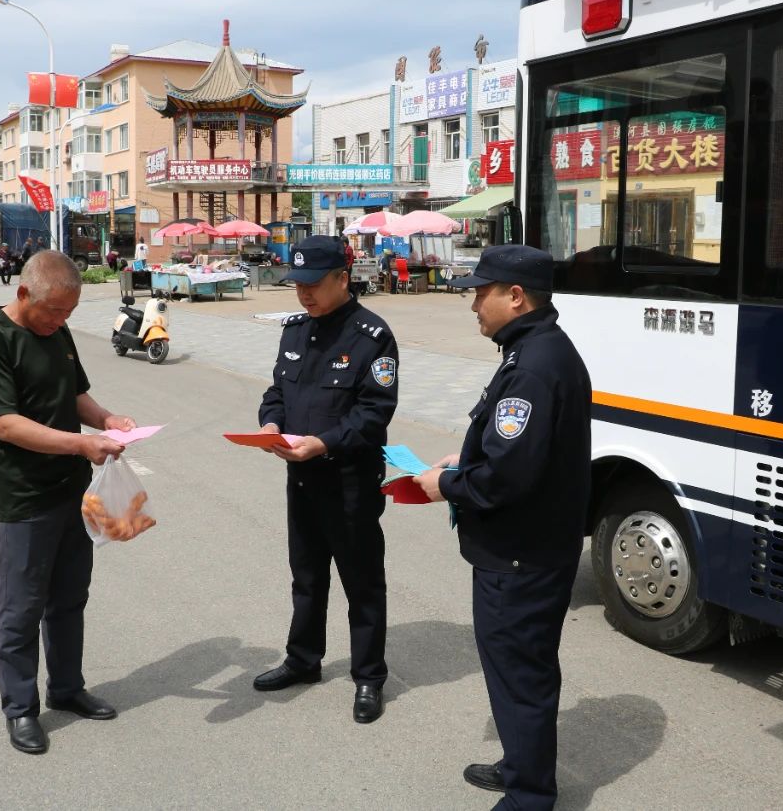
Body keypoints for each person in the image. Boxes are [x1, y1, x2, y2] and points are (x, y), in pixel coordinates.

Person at [413, 246, 591, 811]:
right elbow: (514, 452)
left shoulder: (536, 364)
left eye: (479, 292)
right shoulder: (531, 350)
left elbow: (507, 478)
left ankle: (531, 796)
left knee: (521, 673)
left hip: (522, 554)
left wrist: (447, 485)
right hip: (523, 547)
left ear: (516, 296)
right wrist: (462, 462)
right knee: (513, 669)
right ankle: (521, 764)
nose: (472, 306)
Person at [0, 251, 143, 756]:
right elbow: (6, 424)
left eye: (69, 313)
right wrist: (82, 444)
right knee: (21, 607)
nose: (60, 321)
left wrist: (106, 420)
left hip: (71, 489)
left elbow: (75, 394)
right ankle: (21, 709)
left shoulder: (56, 331)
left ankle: (66, 689)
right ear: (23, 294)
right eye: (53, 312)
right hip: (24, 496)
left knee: (69, 598)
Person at [253, 235, 399, 723]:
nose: (304, 295)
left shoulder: (372, 337)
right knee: (307, 576)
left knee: (362, 583)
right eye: (297, 285)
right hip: (301, 480)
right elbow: (277, 391)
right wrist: (270, 423)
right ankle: (303, 659)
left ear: (342, 277)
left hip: (348, 482)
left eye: (314, 284)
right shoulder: (295, 330)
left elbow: (374, 414)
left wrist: (325, 443)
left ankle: (369, 677)